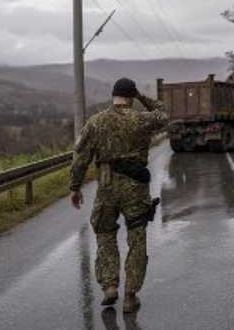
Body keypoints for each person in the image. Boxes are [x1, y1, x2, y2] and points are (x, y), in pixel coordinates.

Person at [69, 77, 169, 313]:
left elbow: (80, 157)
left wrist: (75, 187)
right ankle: (130, 296)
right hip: (135, 188)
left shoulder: (95, 122)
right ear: (131, 96)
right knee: (136, 237)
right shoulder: (141, 119)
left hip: (107, 187)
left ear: (113, 95)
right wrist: (142, 97)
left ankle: (110, 286)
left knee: (104, 233)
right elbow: (163, 112)